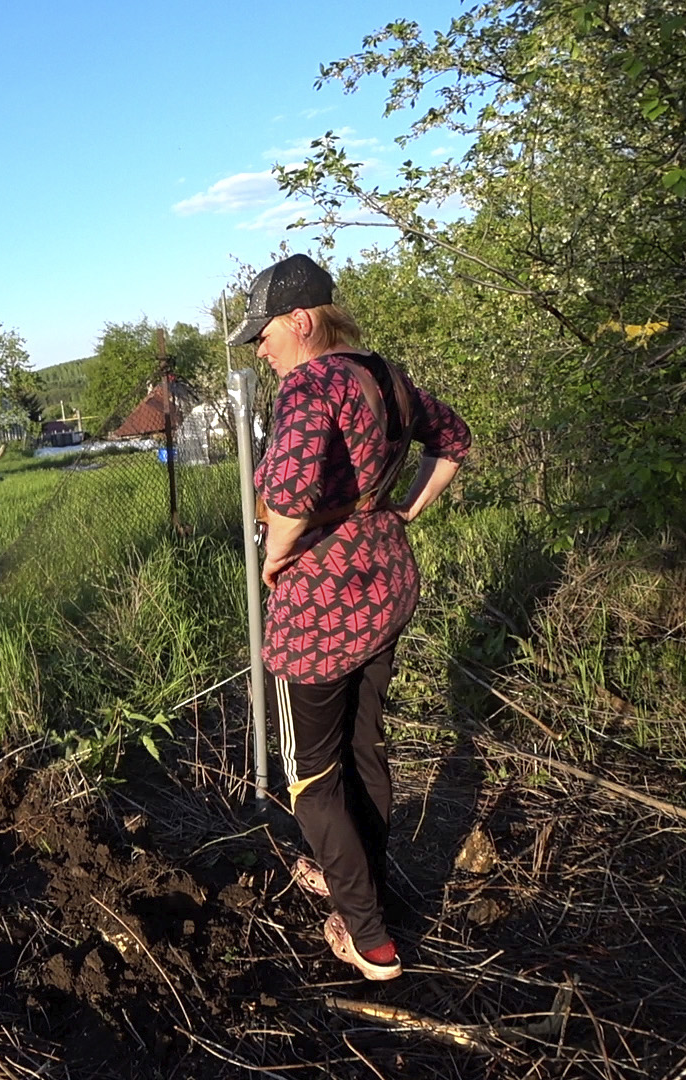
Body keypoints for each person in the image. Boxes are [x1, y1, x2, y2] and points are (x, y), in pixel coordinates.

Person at [227, 254, 471, 981]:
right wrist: (403, 508)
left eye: (263, 334)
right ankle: (361, 880)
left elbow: (294, 496)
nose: (259, 348)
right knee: (366, 749)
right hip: (386, 580)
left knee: (311, 776)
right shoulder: (383, 374)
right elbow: (454, 441)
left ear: (300, 321)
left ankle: (369, 938)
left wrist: (276, 554)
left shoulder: (309, 384)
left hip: (323, 606)